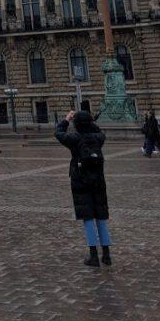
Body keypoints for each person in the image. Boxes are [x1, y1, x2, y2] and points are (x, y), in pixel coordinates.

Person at [55, 110, 112, 267]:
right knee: (101, 217)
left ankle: (94, 256)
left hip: (81, 180)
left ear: (77, 124)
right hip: (98, 181)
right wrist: (90, 121)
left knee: (88, 218)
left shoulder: (74, 139)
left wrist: (66, 120)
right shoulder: (98, 138)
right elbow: (98, 131)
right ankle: (106, 255)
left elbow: (59, 133)